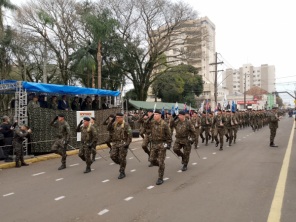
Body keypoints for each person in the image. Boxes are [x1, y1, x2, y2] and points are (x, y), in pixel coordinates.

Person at [107, 113, 132, 179]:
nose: (117, 118)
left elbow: (130, 135)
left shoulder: (126, 124)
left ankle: (122, 172)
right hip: (115, 143)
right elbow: (108, 128)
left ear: (122, 117)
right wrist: (112, 121)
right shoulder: (114, 124)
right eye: (116, 117)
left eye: (118, 117)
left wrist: (127, 144)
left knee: (122, 157)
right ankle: (122, 163)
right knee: (112, 156)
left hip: (123, 143)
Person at [150, 110, 171, 185]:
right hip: (154, 144)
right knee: (152, 160)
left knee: (161, 161)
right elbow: (145, 124)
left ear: (159, 115)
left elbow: (169, 135)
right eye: (154, 114)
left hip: (162, 144)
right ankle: (161, 165)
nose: (154, 116)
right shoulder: (152, 122)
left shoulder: (164, 124)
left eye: (156, 114)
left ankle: (160, 178)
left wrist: (168, 144)